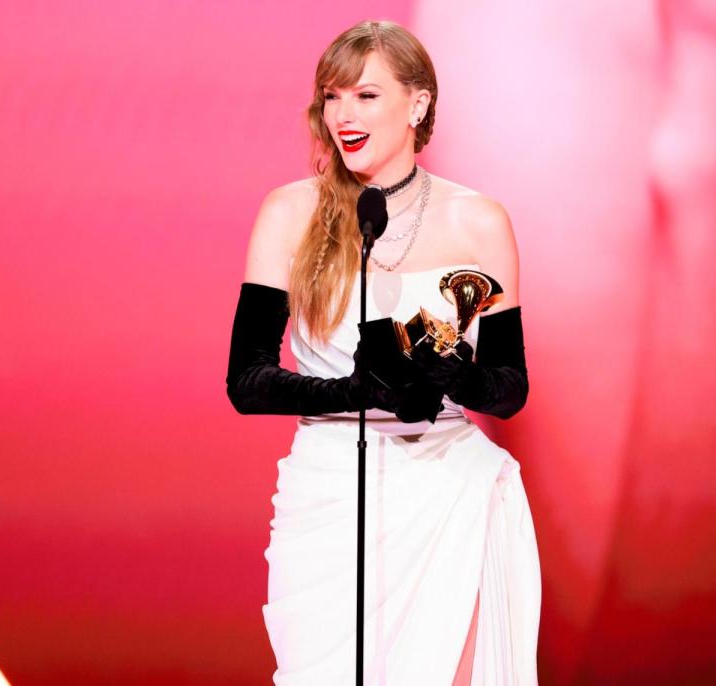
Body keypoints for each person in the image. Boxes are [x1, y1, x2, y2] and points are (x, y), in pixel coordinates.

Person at [227, 19, 541, 685]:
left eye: (365, 96)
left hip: (449, 492)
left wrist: (450, 370)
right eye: (331, 97)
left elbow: (510, 389)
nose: (343, 114)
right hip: (331, 495)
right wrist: (356, 393)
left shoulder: (478, 219)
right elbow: (247, 381)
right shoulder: (290, 213)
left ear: (418, 103)